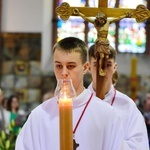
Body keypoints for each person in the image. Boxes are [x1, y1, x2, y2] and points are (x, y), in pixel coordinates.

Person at [15, 37, 124, 150]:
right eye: (59, 66)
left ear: (85, 68)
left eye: (70, 66)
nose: (64, 73)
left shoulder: (107, 115)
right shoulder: (39, 115)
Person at [88, 44, 149, 150]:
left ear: (115, 67)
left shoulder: (128, 106)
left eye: (108, 65)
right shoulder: (77, 102)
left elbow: (140, 146)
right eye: (96, 65)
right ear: (88, 67)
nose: (102, 71)